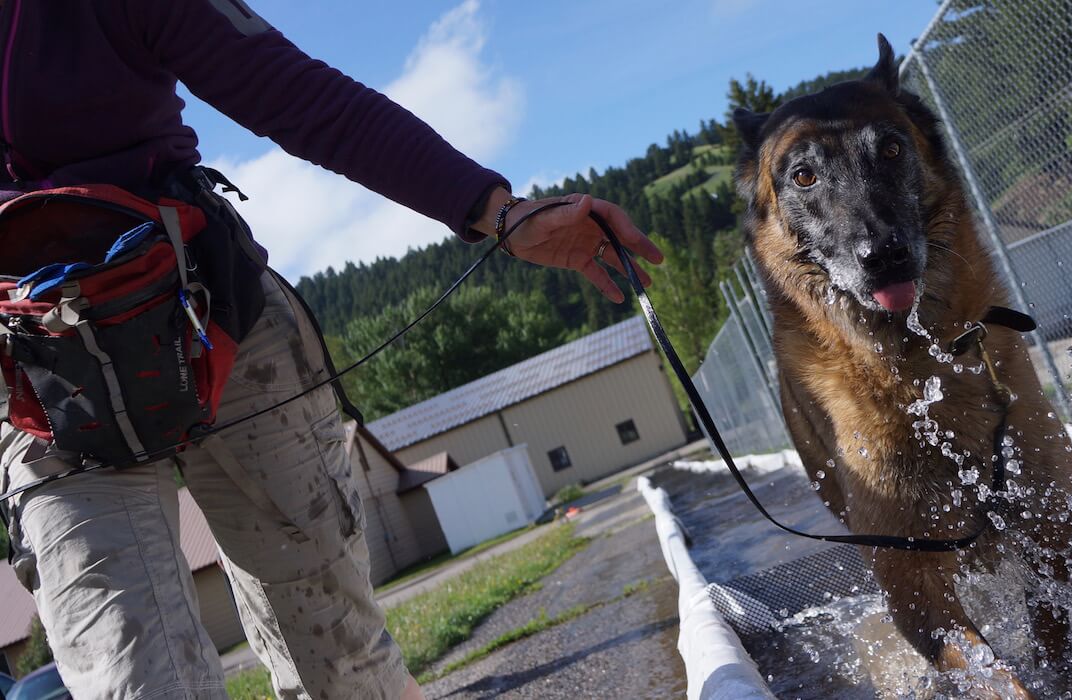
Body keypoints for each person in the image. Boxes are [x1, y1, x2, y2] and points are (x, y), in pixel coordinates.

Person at [0, 1, 662, 699]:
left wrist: (495, 210)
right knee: (129, 678)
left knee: (340, 661)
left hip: (214, 322)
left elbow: (301, 97)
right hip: (43, 382)